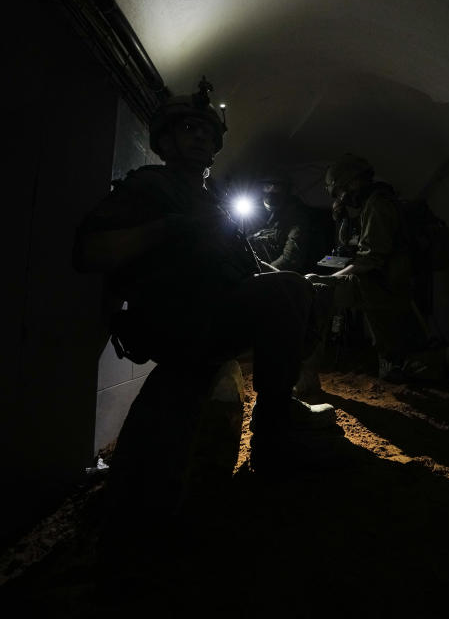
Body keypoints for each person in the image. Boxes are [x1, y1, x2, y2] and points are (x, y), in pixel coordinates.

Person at [74, 78, 337, 486]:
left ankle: (280, 405)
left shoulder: (212, 198)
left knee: (299, 286)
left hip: (214, 311)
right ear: (165, 140)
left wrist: (296, 284)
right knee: (288, 288)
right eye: (187, 128)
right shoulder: (149, 185)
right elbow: (90, 252)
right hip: (174, 318)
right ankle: (273, 436)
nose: (199, 136)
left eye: (206, 132)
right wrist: (167, 228)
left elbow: (243, 265)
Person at [302, 154, 430, 383]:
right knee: (323, 283)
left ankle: (306, 377)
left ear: (353, 183)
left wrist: (331, 279)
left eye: (340, 191)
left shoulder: (378, 204)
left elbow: (369, 259)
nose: (342, 198)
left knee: (320, 292)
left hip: (384, 284)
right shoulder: (371, 205)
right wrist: (340, 220)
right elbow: (349, 249)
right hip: (381, 280)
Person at [247, 171, 322, 273]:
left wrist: (262, 274)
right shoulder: (251, 209)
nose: (271, 191)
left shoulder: (296, 215)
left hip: (275, 276)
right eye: (267, 186)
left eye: (276, 187)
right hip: (251, 268)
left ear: (286, 190)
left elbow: (290, 259)